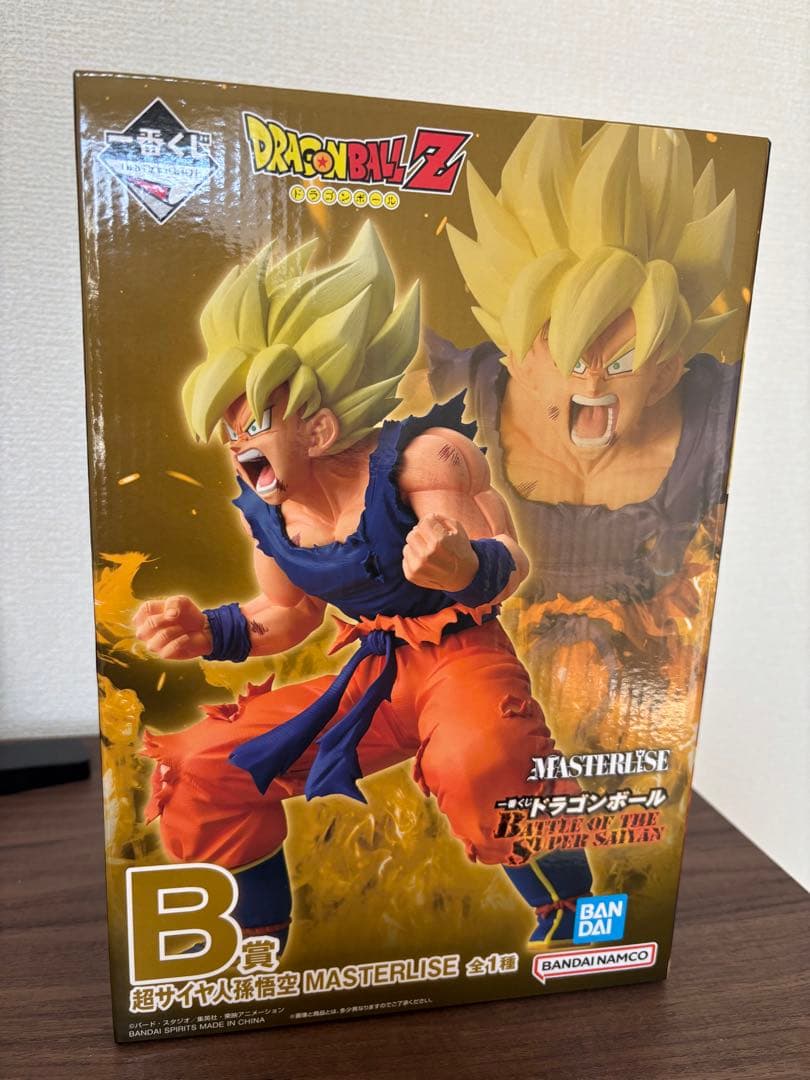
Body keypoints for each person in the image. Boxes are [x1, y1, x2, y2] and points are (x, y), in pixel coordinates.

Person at [134, 222, 592, 952]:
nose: (239, 447)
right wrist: (209, 630)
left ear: (318, 430)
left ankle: (575, 915)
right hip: (375, 675)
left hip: (462, 658)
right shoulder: (271, 513)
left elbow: (508, 557)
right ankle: (254, 938)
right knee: (201, 765)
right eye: (230, 432)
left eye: (255, 424)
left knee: (483, 761)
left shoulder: (424, 462)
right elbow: (286, 614)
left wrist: (463, 566)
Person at [430, 119, 741, 752]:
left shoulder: (726, 413)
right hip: (480, 697)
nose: (594, 378)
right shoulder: (444, 393)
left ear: (667, 371)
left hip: (654, 719)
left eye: (622, 360)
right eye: (572, 355)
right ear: (518, 358)